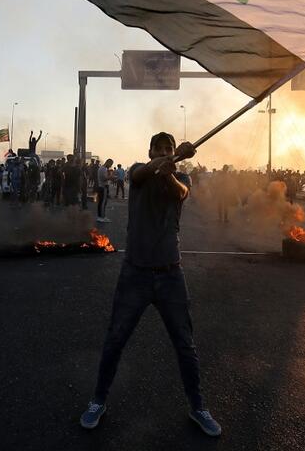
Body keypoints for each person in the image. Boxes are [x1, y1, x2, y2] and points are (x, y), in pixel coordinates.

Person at [80, 133, 221, 437]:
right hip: (135, 274)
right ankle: (98, 401)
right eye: (158, 151)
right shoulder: (136, 172)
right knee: (115, 340)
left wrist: (172, 167)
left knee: (185, 345)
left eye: (167, 149)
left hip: (171, 274)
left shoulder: (181, 177)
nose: (163, 154)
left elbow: (180, 193)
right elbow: (144, 172)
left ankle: (198, 408)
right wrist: (170, 158)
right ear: (149, 152)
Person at [96, 158, 113, 223]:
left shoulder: (103, 168)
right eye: (110, 164)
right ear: (108, 162)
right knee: (102, 203)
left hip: (102, 187)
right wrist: (111, 177)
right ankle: (101, 217)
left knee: (103, 203)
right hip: (103, 187)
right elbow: (104, 178)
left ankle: (102, 216)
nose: (110, 166)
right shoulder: (103, 169)